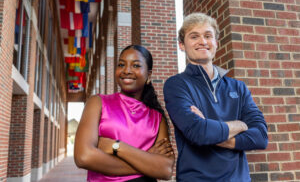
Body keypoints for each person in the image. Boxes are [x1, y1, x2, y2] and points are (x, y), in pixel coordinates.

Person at [163, 12, 268, 181]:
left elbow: (261, 137)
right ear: (182, 45)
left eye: (208, 36)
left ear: (216, 43)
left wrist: (211, 131)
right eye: (194, 36)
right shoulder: (176, 85)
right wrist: (240, 124)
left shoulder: (238, 87)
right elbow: (198, 132)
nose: (203, 41)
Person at [74, 45, 175, 182]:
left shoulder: (157, 118)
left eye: (136, 66)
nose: (127, 70)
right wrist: (146, 160)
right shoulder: (97, 103)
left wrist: (117, 147)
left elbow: (165, 170)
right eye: (121, 64)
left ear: (148, 75)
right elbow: (83, 157)